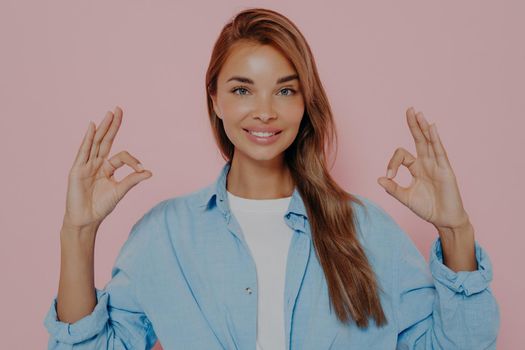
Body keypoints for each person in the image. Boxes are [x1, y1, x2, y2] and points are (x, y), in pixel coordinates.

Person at [43, 7, 500, 350]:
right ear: (215, 100)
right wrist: (77, 233)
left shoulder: (367, 229)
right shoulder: (164, 235)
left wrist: (455, 230)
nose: (265, 110)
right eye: (242, 89)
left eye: (285, 90)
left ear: (305, 104)